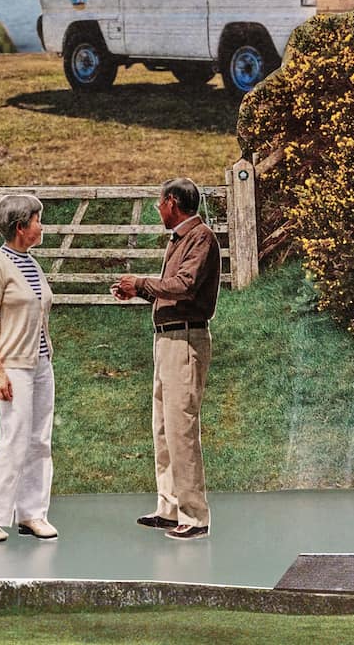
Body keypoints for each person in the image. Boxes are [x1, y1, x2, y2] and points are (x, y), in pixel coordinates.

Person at [113, 177, 221, 541]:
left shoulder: (201, 237)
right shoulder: (180, 240)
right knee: (163, 427)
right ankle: (169, 507)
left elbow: (185, 285)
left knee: (181, 428)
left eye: (160, 203)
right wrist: (140, 293)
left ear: (173, 202)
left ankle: (195, 515)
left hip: (185, 339)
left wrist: (142, 283)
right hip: (168, 339)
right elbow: (172, 293)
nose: (158, 209)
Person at [0, 193, 58, 543]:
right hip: (14, 366)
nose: (41, 225)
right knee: (15, 440)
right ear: (21, 227)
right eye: (37, 220)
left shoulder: (30, 263)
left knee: (39, 441)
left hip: (41, 363)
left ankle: (31, 514)